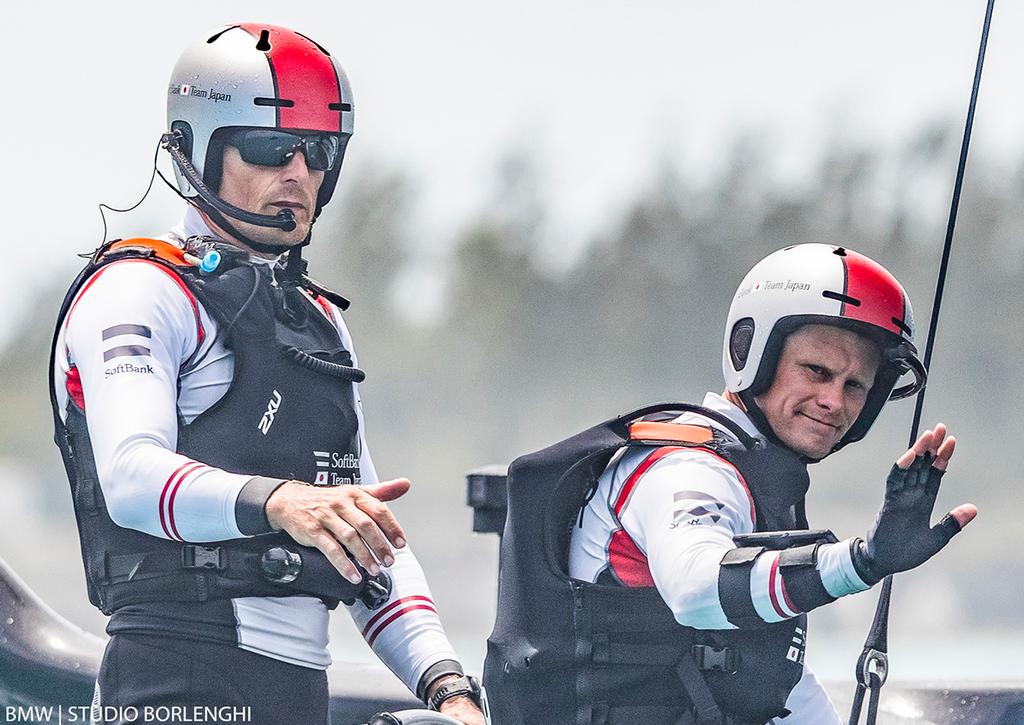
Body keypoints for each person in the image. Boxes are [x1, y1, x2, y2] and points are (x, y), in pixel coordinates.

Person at [49, 23, 485, 725]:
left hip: (295, 698)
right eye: (269, 147)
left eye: (319, 152)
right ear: (198, 150)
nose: (299, 174)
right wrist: (282, 501)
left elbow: (369, 541)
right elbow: (130, 477)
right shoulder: (139, 291)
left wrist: (449, 686)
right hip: (169, 686)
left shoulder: (319, 321)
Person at [483, 243, 976, 724]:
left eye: (854, 386)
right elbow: (696, 590)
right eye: (816, 371)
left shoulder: (759, 478)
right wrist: (862, 562)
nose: (833, 401)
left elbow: (775, 681)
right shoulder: (688, 467)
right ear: (753, 354)